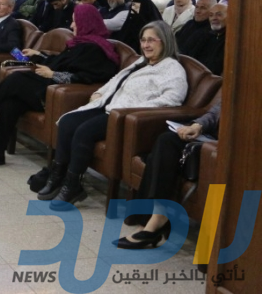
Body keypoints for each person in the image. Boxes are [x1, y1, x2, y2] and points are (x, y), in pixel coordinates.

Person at [37, 21, 187, 209]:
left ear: (165, 41)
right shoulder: (141, 62)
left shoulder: (172, 68)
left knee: (84, 131)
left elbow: (173, 100)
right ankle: (58, 175)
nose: (146, 45)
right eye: (143, 40)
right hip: (108, 105)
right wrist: (100, 92)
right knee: (67, 122)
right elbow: (116, 79)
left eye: (151, 40)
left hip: (125, 115)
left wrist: (135, 109)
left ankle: (73, 184)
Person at [0, 5, 120, 168]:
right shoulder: (80, 43)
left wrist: (53, 74)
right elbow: (60, 62)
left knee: (17, 78)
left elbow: (90, 77)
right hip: (46, 88)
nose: (71, 25)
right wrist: (39, 54)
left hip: (58, 96)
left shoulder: (97, 49)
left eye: (75, 21)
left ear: (87, 22)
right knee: (9, 103)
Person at [116, 100, 220, 249]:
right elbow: (217, 111)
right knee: (166, 141)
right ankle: (154, 219)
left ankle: (153, 224)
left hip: (222, 147)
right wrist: (197, 125)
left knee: (155, 157)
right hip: (208, 138)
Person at [180, 3, 227, 75]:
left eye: (219, 15)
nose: (214, 18)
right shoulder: (204, 35)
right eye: (211, 15)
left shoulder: (231, 39)